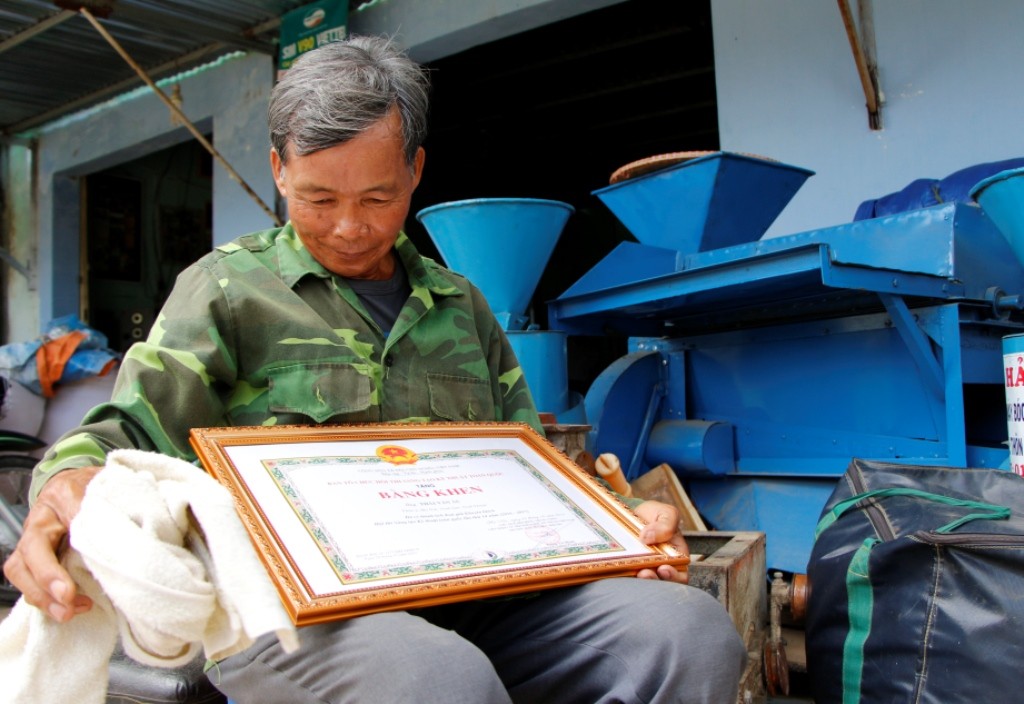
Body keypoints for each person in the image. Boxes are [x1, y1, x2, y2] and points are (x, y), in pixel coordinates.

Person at [4, 35, 747, 703]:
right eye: (319, 198)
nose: (350, 226)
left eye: (378, 197)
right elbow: (121, 431)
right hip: (293, 606)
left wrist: (613, 526)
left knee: (686, 632)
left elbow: (532, 471)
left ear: (416, 171)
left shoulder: (463, 306)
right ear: (278, 171)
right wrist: (61, 492)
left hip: (479, 593)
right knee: (432, 678)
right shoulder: (226, 290)